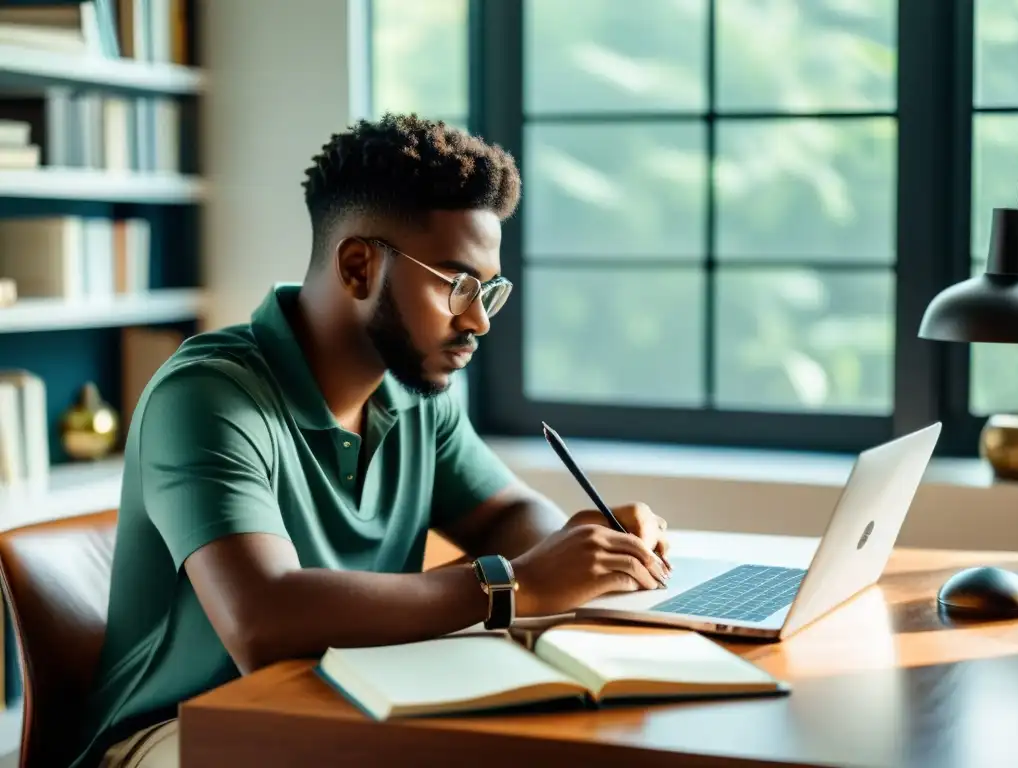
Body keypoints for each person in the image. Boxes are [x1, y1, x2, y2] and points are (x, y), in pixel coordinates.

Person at [69, 114, 672, 768]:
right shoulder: (206, 397)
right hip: (180, 732)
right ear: (359, 266)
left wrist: (581, 549)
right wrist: (514, 584)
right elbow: (262, 620)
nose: (477, 320)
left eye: (488, 291)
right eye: (458, 285)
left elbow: (505, 513)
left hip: (348, 702)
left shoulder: (417, 397)